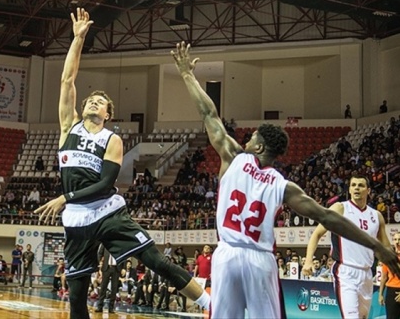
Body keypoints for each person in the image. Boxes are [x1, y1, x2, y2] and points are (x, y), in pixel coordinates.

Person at [170, 41, 400, 319]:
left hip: (227, 256)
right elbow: (328, 218)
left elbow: (209, 113)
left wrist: (186, 74)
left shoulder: (232, 157)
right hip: (259, 261)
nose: (247, 138)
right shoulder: (283, 186)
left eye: (252, 137)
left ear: (259, 147)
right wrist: (375, 245)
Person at [35, 9, 210, 319]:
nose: (91, 102)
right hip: (76, 220)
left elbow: (103, 184)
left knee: (156, 261)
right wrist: (77, 39)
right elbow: (66, 80)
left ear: (108, 114)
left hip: (106, 211)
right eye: (90, 99)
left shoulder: (111, 139)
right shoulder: (68, 128)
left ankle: (213, 306)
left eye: (99, 102)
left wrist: (64, 197)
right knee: (77, 295)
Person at [302, 175, 392, 319]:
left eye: (361, 185)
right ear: (349, 189)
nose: (357, 188)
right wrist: (308, 260)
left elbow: (387, 247)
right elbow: (317, 234)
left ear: (368, 190)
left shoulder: (377, 216)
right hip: (345, 272)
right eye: (353, 185)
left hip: (367, 273)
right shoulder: (340, 208)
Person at [380, 233, 400, 319]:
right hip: (391, 292)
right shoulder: (388, 257)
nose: (397, 242)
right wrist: (380, 294)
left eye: (399, 239)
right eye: (395, 239)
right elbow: (384, 277)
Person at [95, 245, 120, 313]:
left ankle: (111, 308)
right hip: (106, 267)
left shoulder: (119, 243)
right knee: (103, 287)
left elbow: (124, 255)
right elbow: (99, 253)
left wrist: (123, 267)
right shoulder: (105, 243)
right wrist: (100, 261)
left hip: (116, 268)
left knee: (114, 288)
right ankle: (100, 306)